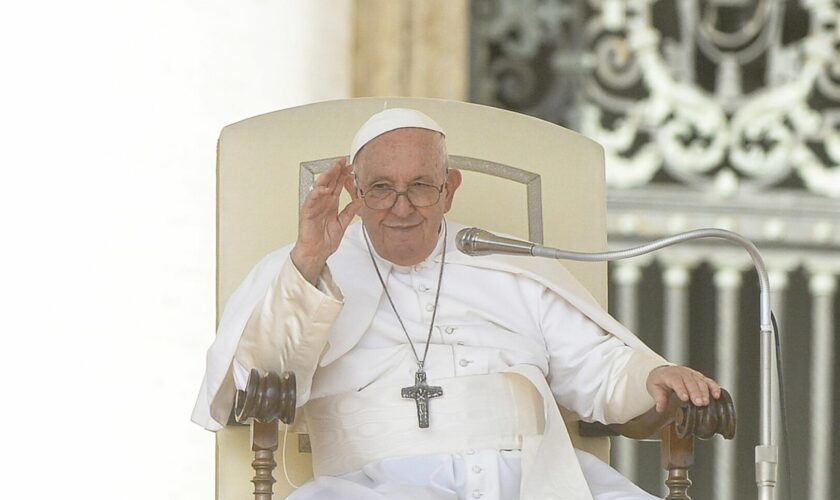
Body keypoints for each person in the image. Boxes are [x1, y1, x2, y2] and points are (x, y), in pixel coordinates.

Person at [192, 108, 722, 500]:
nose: (401, 208)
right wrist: (309, 260)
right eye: (380, 188)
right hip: (377, 485)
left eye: (421, 187)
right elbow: (252, 377)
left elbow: (596, 366)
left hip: (534, 479)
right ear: (353, 188)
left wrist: (651, 378)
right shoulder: (307, 263)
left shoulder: (505, 261)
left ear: (450, 190)